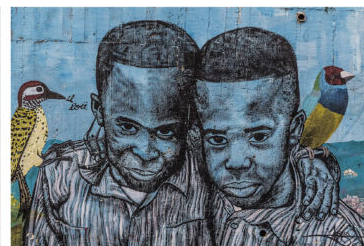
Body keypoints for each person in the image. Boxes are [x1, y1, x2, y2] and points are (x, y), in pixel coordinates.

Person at [24, 21, 338, 245]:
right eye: (127, 127)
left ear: (190, 123)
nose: (145, 152)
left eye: (165, 132)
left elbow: (263, 164)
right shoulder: (61, 174)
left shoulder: (208, 167)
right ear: (98, 112)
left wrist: (310, 162)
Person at [194, 28, 364, 245]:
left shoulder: (336, 237)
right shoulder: (194, 192)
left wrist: (312, 159)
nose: (237, 162)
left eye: (259, 136)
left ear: (295, 130)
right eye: (218, 140)